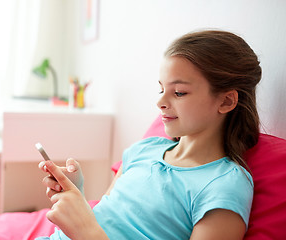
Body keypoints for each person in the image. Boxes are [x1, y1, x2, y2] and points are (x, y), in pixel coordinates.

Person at [36, 29, 262, 240]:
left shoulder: (224, 185)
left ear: (226, 100)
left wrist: (85, 230)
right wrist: (76, 195)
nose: (160, 102)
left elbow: (90, 231)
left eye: (179, 92)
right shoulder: (143, 150)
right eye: (161, 89)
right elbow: (108, 218)